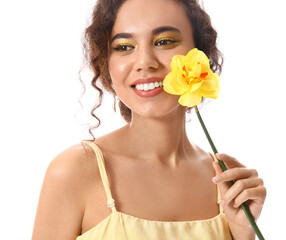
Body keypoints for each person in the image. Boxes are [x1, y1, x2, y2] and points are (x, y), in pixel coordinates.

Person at [32, 0, 267, 239]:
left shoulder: (226, 182)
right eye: (124, 47)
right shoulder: (73, 172)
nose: (145, 62)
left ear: (200, 53)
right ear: (107, 64)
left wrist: (242, 232)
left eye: (164, 41)